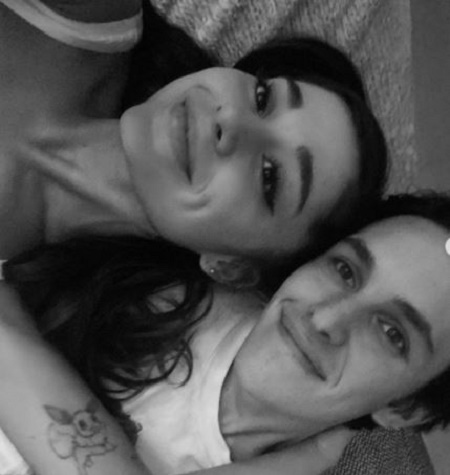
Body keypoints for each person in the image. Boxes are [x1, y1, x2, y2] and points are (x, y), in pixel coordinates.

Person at [1, 191, 449, 475]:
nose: (325, 320)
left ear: (405, 410)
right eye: (345, 270)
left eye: (391, 332)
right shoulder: (170, 288)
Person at [0, 0, 388, 288]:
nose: (230, 121)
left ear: (231, 268)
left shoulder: (25, 332)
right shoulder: (88, 16)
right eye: (262, 98)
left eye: (270, 176)